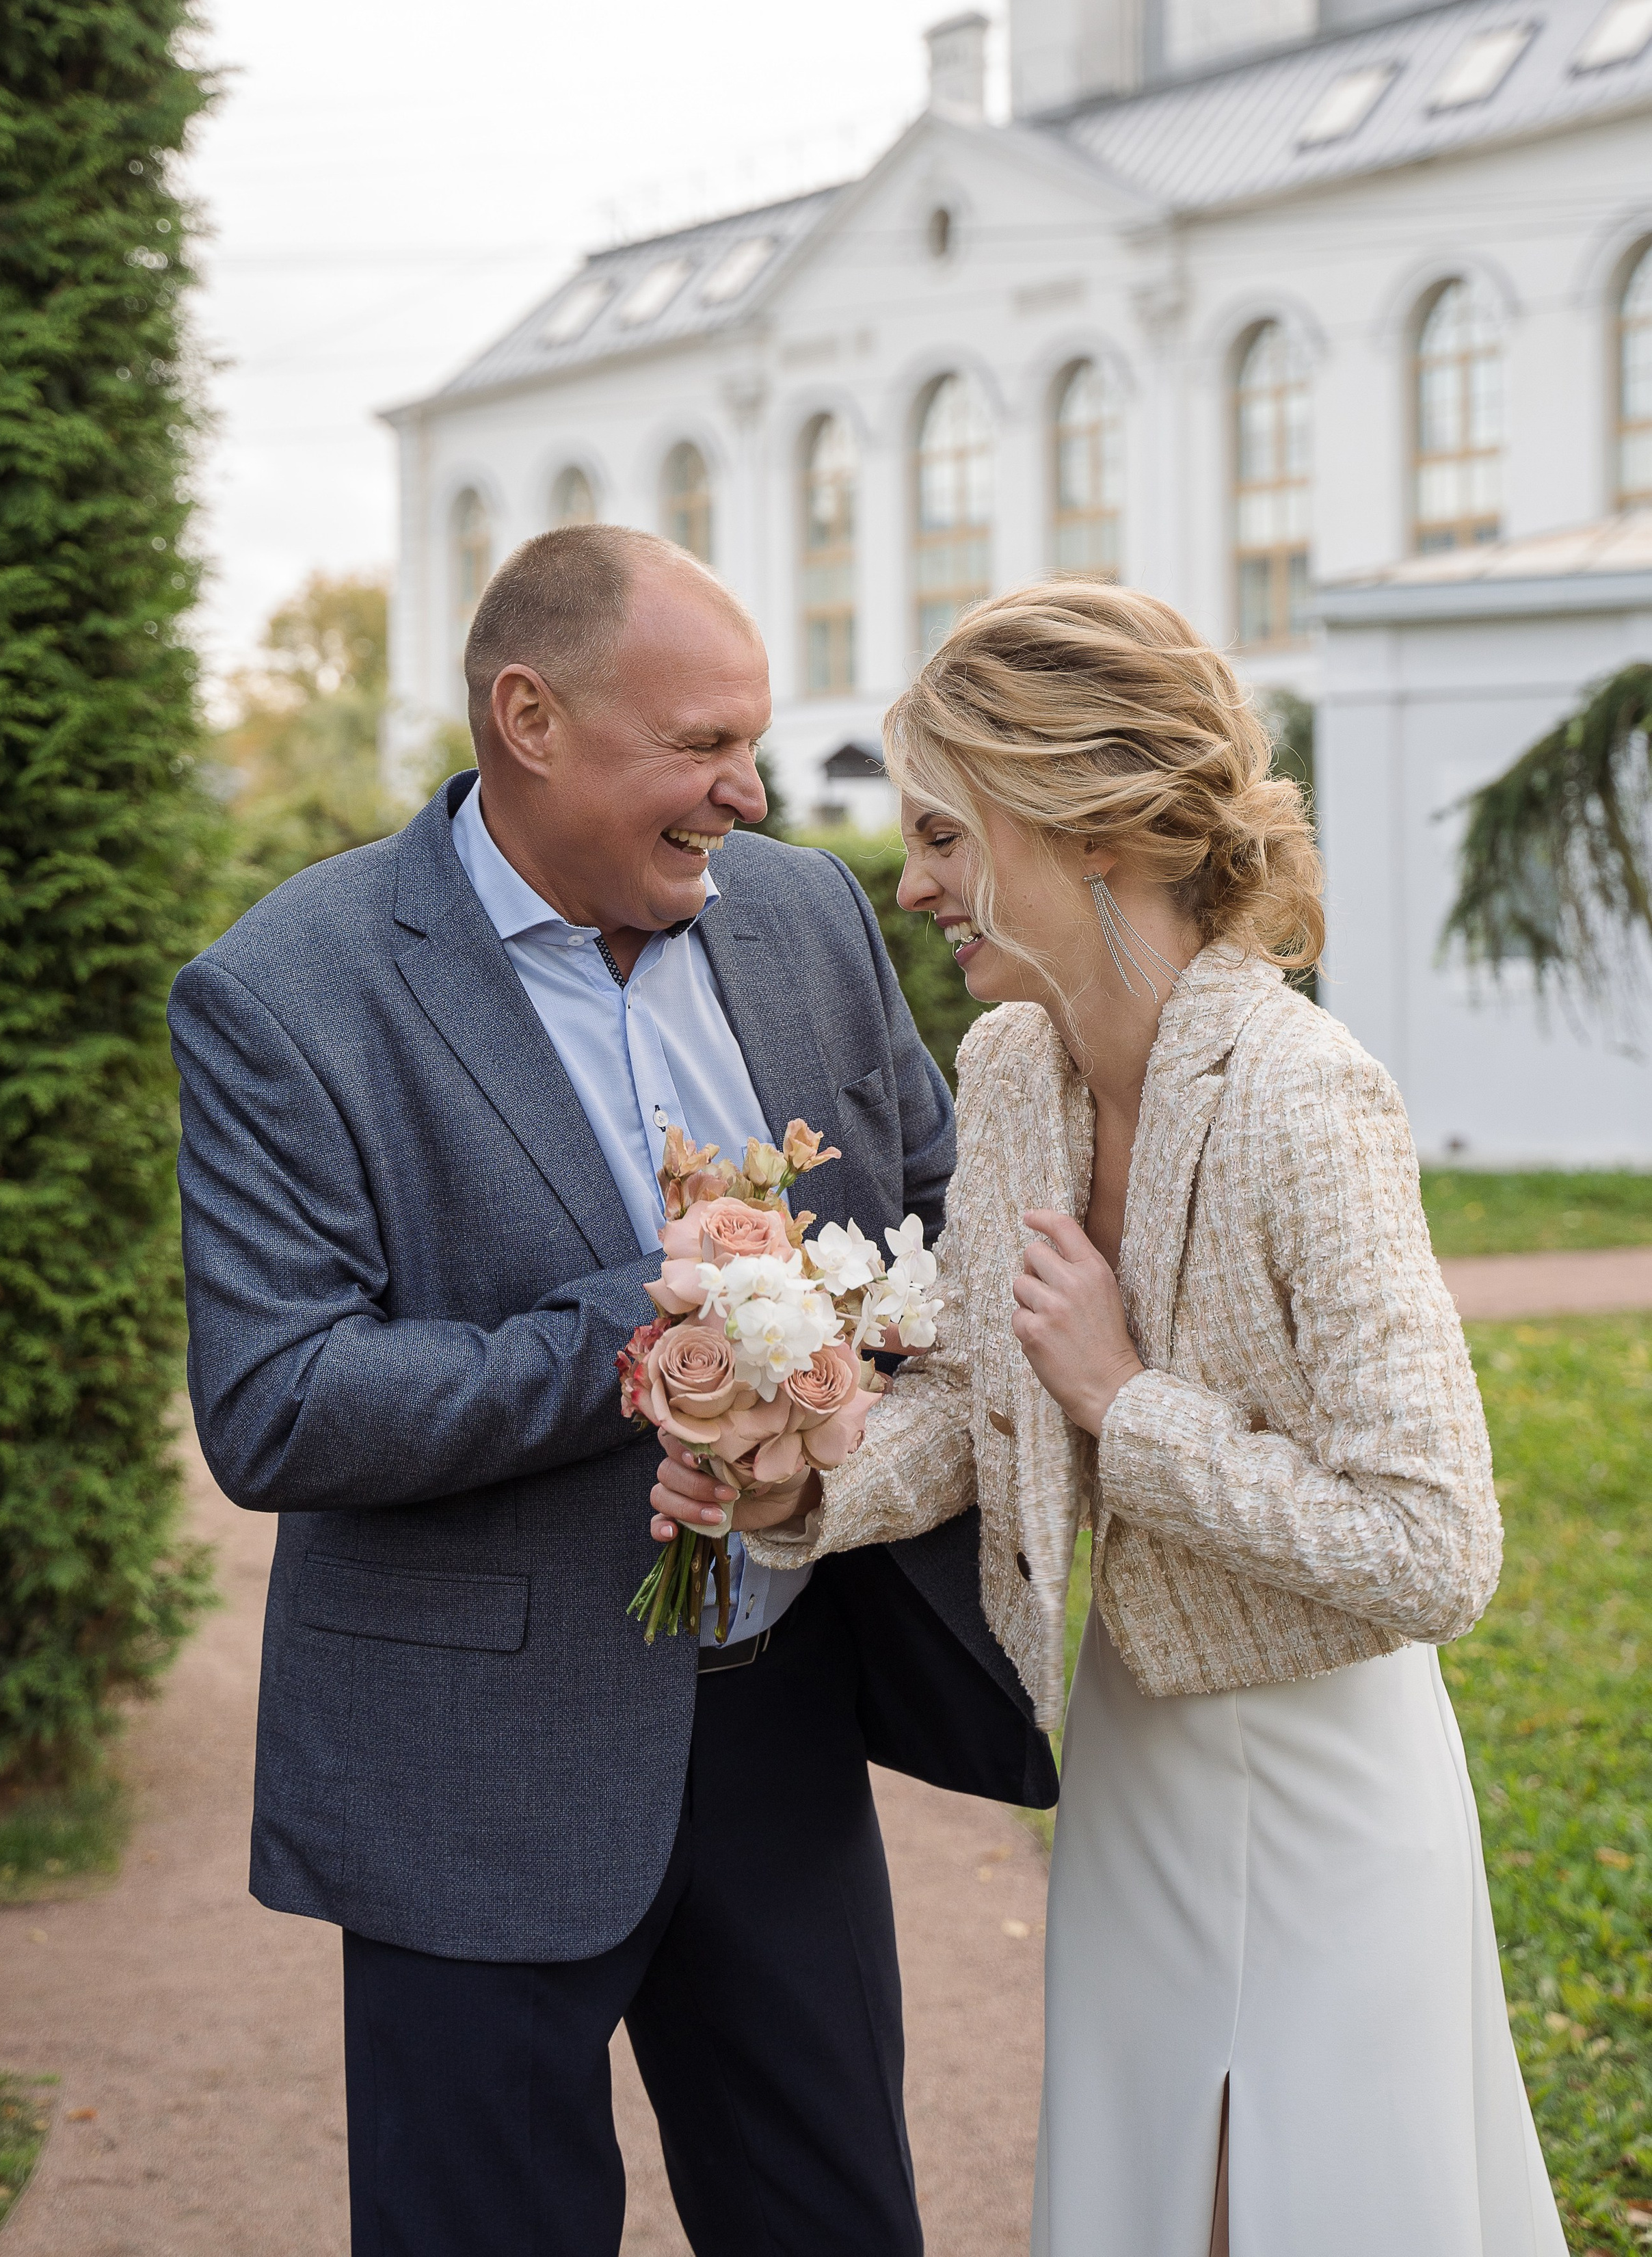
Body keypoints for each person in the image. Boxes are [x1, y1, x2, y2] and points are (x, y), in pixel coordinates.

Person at [169, 524, 1054, 2257]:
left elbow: (936, 1221)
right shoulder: (285, 993)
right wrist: (639, 1336)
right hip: (472, 1771)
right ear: (529, 717)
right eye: (701, 745)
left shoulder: (802, 916)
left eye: (754, 741)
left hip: (784, 1713)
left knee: (835, 2222)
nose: (747, 790)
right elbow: (275, 1402)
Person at [657, 580, 1565, 2256]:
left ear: (1073, 819)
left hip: (1325, 1787)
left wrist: (1123, 1403)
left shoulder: (1304, 1096)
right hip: (1134, 1754)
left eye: (939, 834)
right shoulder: (1011, 1065)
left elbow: (1433, 1546)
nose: (911, 882)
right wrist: (790, 1479)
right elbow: (979, 1410)